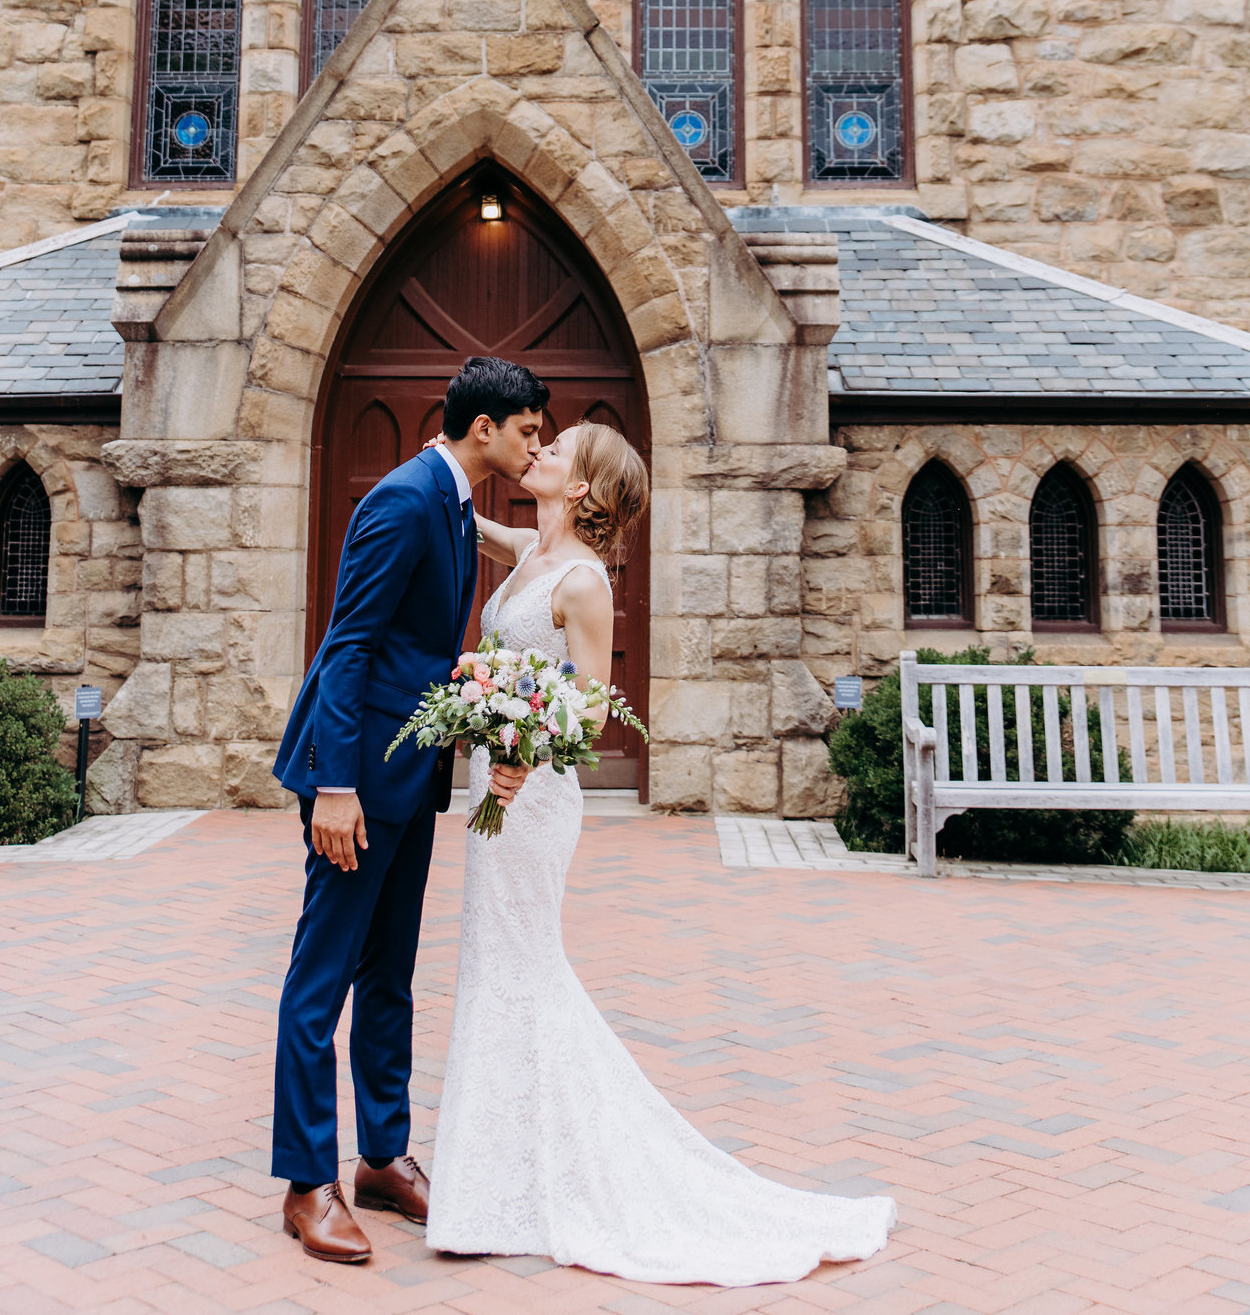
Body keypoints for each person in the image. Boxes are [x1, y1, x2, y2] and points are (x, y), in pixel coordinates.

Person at [426, 422, 897, 1285]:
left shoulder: (582, 579)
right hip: (492, 791)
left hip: (530, 802)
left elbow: (591, 705)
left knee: (519, 966)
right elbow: (467, 516)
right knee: (494, 965)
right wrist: (446, 461)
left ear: (582, 489)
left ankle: (523, 1182)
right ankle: (498, 1180)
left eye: (557, 447)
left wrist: (524, 751)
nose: (540, 450)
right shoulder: (531, 548)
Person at [270, 355, 548, 1264]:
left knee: (388, 974)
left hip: (410, 775)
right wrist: (336, 788)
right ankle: (307, 1181)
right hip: (356, 784)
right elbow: (348, 648)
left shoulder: (458, 502)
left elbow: (423, 645)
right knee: (322, 979)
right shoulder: (398, 499)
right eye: (529, 430)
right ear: (484, 430)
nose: (535, 442)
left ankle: (382, 1156)